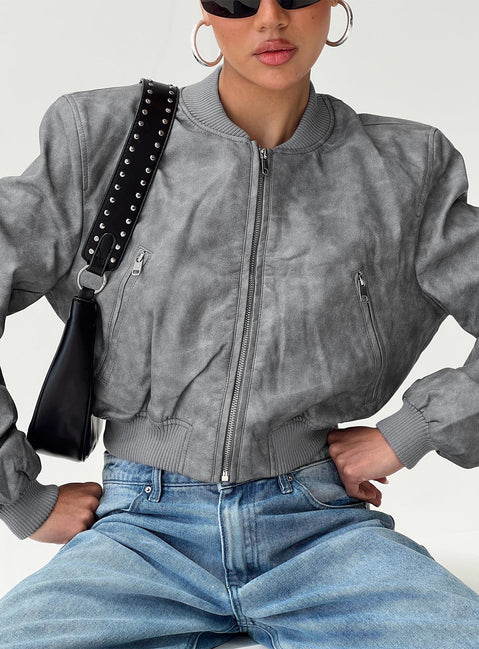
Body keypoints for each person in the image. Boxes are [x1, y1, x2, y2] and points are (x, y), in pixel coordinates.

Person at [0, 0, 479, 646]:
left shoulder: (403, 168)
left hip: (320, 531)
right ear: (205, 11)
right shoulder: (103, 138)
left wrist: (411, 431)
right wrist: (22, 500)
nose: (269, 18)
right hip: (140, 533)